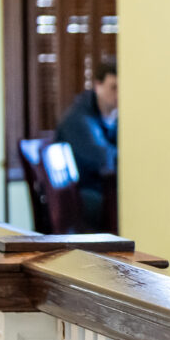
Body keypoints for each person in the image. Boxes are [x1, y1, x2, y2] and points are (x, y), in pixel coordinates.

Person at [55, 60, 119, 231]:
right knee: (124, 205)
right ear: (98, 85)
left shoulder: (116, 118)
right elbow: (103, 159)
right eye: (114, 87)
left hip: (103, 189)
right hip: (82, 194)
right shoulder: (78, 118)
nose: (119, 94)